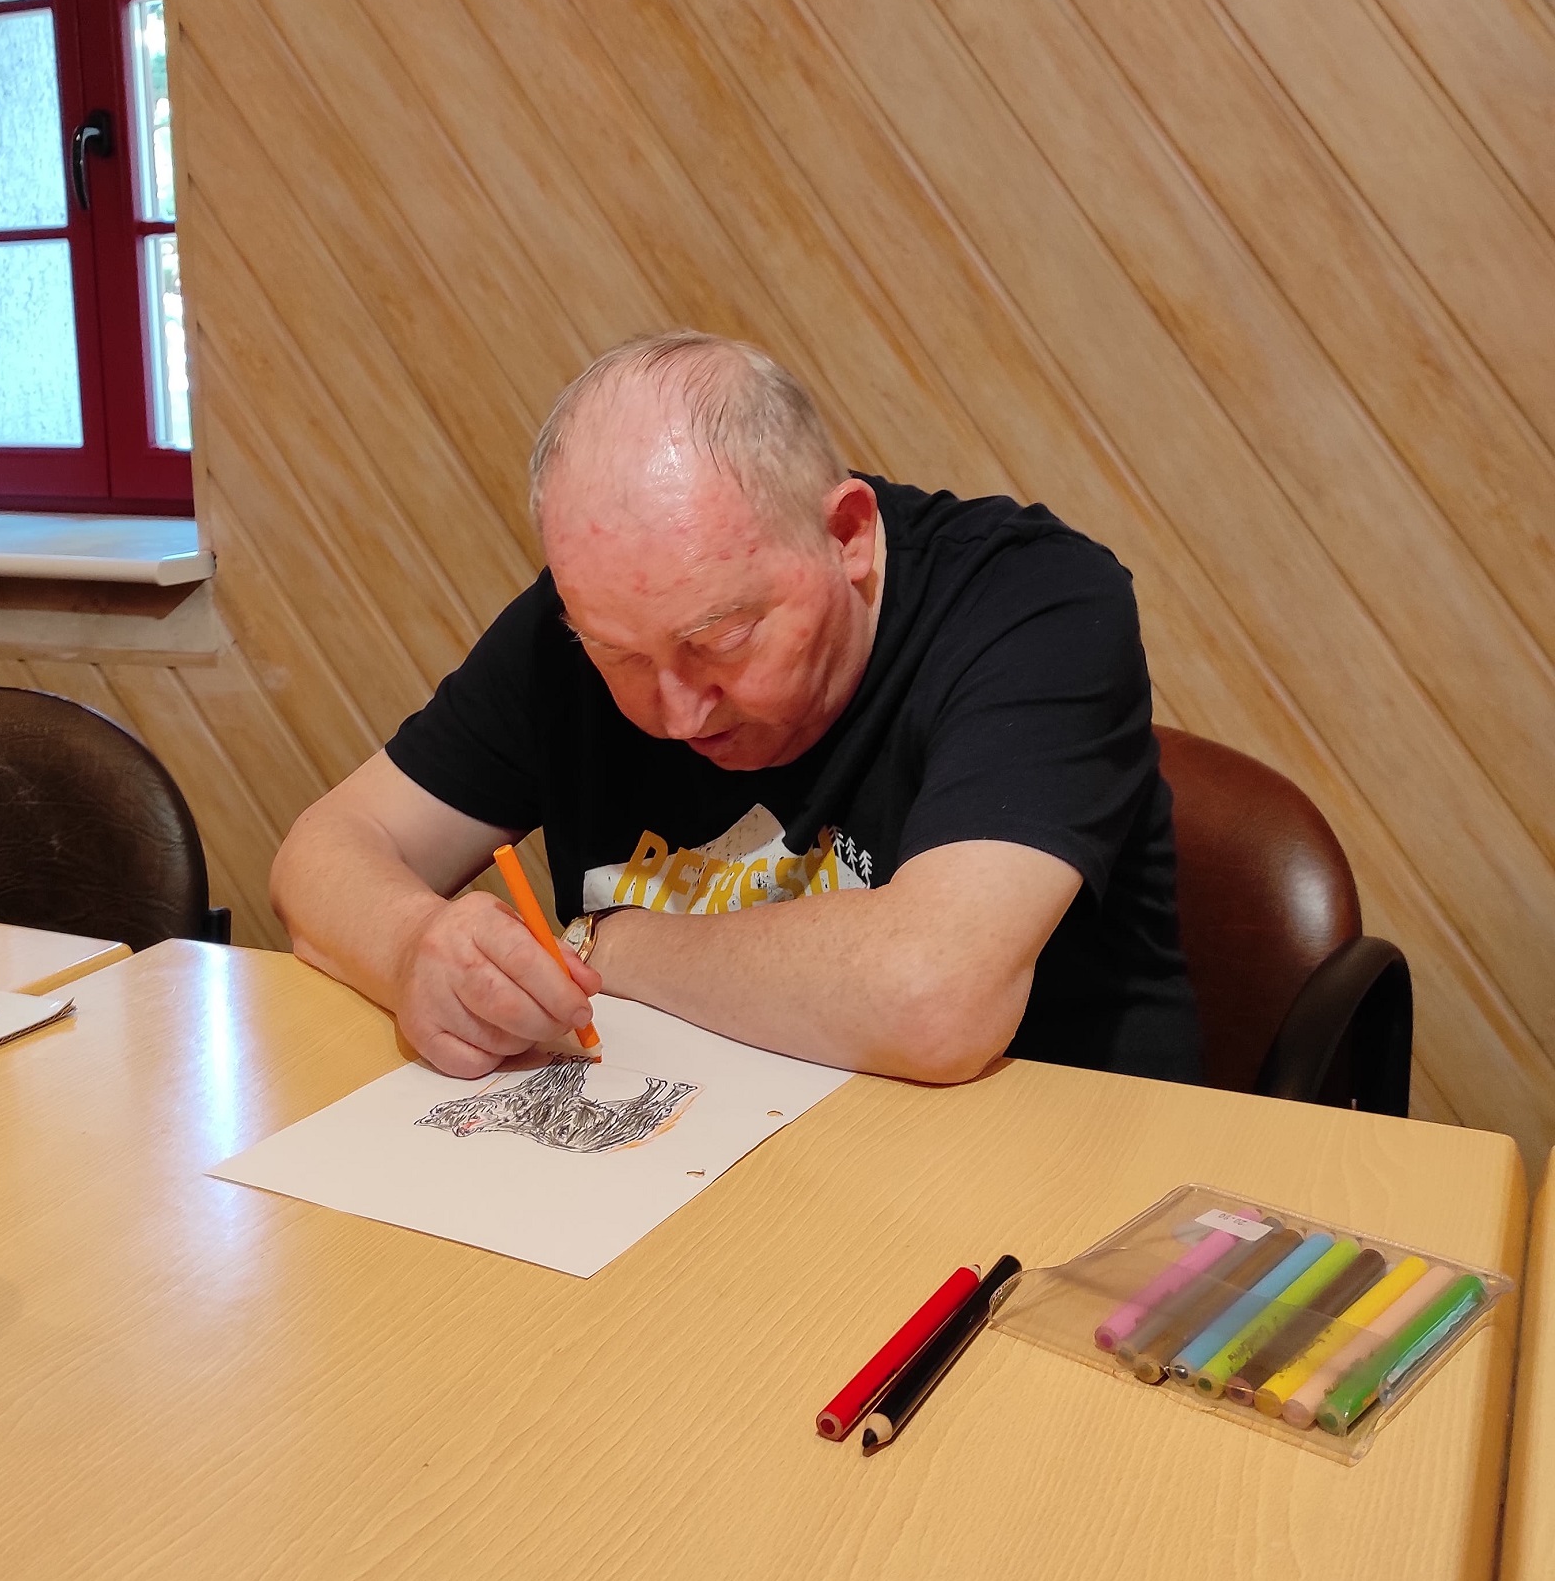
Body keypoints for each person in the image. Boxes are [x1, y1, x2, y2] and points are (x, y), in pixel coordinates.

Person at [270, 331, 1200, 1087]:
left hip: (1053, 1179)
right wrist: (413, 946)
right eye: (620, 658)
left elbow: (932, 998)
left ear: (848, 535)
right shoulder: (594, 620)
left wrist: (603, 946)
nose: (678, 713)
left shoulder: (1036, 603)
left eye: (722, 641)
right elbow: (325, 850)